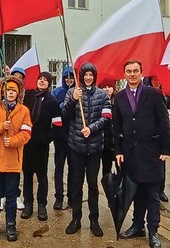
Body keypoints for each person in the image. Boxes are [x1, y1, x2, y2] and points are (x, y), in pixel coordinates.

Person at [115, 60, 170, 248]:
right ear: (124, 74)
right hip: (130, 153)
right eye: (129, 71)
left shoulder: (153, 94)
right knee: (136, 192)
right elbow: (117, 126)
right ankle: (137, 225)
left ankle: (153, 230)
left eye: (135, 71)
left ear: (141, 73)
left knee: (152, 194)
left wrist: (166, 149)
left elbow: (164, 122)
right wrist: (119, 150)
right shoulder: (120, 97)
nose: (132, 74)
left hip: (152, 152)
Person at [63, 62, 112, 237]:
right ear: (81, 76)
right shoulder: (72, 92)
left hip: (94, 148)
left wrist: (91, 128)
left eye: (91, 75)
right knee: (75, 185)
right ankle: (75, 218)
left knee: (92, 185)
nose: (88, 77)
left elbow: (106, 117)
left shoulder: (102, 94)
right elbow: (64, 115)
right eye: (85, 75)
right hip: (76, 147)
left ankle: (94, 220)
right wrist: (73, 100)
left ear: (95, 76)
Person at [0, 76, 32, 242]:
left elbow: (26, 133)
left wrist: (13, 141)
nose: (10, 93)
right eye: (8, 90)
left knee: (11, 196)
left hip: (12, 161)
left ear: (18, 94)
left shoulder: (24, 111)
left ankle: (11, 225)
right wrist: (1, 126)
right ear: (3, 92)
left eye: (13, 91)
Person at [21, 71, 61, 221]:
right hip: (26, 143)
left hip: (41, 145)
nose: (42, 81)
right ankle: (28, 204)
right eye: (40, 79)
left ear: (49, 83)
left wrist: (47, 139)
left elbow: (57, 124)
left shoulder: (53, 102)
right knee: (27, 175)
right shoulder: (28, 96)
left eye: (45, 80)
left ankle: (42, 205)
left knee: (42, 176)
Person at [51, 65, 75, 210]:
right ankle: (59, 197)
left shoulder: (78, 92)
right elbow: (52, 110)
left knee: (74, 168)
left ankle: (72, 196)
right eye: (66, 77)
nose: (69, 79)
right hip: (60, 136)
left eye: (71, 76)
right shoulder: (57, 92)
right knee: (59, 167)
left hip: (73, 136)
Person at [143, 75, 170, 203]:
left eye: (160, 79)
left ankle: (161, 190)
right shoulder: (146, 93)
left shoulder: (164, 93)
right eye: (155, 79)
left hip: (159, 136)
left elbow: (165, 119)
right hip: (147, 136)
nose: (158, 82)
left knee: (160, 166)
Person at [99, 78, 116, 177]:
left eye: (109, 87)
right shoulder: (99, 102)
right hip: (104, 141)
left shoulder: (118, 102)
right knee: (106, 169)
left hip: (117, 141)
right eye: (104, 87)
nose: (106, 89)